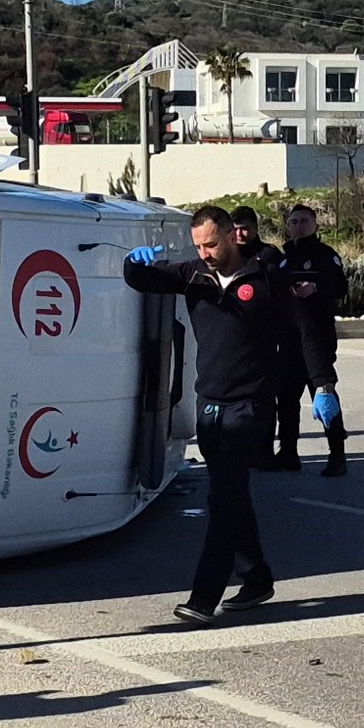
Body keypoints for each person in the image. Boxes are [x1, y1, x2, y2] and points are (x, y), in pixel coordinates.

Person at [123, 205, 296, 624]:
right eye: (199, 245)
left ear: (232, 236)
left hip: (250, 406)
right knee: (231, 494)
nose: (205, 253)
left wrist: (323, 386)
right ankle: (257, 578)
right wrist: (134, 262)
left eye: (212, 244)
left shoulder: (265, 277)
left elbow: (301, 332)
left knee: (222, 499)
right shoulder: (193, 277)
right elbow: (141, 280)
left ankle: (204, 597)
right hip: (210, 405)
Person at [266, 202, 351, 476]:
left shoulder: (326, 256)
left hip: (319, 340)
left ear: (315, 225)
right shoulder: (283, 258)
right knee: (287, 400)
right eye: (294, 222)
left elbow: (341, 287)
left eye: (304, 221)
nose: (298, 226)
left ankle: (337, 454)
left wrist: (316, 287)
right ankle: (288, 453)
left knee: (324, 396)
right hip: (289, 340)